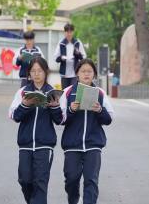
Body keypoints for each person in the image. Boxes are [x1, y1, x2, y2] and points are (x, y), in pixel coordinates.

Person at [8, 56, 62, 204]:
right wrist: (25, 105)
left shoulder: (53, 92)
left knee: (40, 182)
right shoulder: (22, 92)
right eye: (33, 71)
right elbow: (14, 115)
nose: (36, 74)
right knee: (24, 180)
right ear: (29, 73)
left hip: (45, 145)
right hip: (25, 144)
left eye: (40, 71)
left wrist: (55, 107)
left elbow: (60, 120)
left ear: (45, 72)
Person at [59, 59, 113, 204]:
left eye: (89, 71)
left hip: (93, 144)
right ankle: (74, 200)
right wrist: (71, 109)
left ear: (94, 74)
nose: (86, 74)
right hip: (72, 145)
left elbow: (108, 119)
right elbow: (59, 119)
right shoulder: (67, 92)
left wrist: (99, 110)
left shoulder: (100, 93)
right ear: (77, 73)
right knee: (71, 179)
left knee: (91, 180)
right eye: (83, 71)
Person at [54, 23, 86, 90]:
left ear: (73, 32)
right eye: (67, 32)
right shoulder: (61, 43)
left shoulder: (77, 42)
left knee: (74, 91)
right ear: (64, 32)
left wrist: (78, 53)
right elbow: (56, 58)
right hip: (64, 74)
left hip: (75, 73)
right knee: (65, 92)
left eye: (70, 32)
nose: (69, 34)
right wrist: (62, 58)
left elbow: (84, 57)